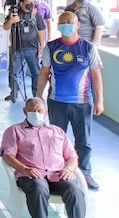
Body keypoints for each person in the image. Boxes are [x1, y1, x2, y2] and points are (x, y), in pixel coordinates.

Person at [0, 97, 89, 218]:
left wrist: (69, 169)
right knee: (39, 189)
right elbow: (7, 155)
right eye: (32, 110)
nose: (36, 113)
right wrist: (24, 169)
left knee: (74, 190)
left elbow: (72, 156)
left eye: (40, 110)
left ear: (46, 113)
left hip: (57, 174)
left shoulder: (57, 132)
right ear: (25, 111)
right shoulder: (14, 131)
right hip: (31, 175)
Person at [37, 12, 104, 190]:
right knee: (56, 139)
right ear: (58, 25)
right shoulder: (51, 47)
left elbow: (96, 75)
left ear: (78, 25)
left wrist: (100, 100)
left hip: (82, 102)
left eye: (70, 22)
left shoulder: (88, 48)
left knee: (83, 140)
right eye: (63, 22)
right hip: (56, 102)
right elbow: (44, 72)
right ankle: (56, 171)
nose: (66, 25)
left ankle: (84, 173)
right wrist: (39, 97)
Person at [3, 0, 46, 102]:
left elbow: (41, 31)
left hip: (33, 49)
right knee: (13, 72)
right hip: (17, 49)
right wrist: (11, 21)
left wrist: (42, 46)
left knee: (36, 73)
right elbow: (5, 27)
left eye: (32, 2)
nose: (31, 4)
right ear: (21, 3)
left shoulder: (36, 14)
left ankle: (37, 95)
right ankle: (14, 92)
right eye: (28, 2)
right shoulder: (14, 13)